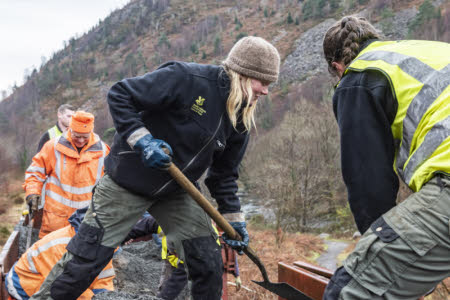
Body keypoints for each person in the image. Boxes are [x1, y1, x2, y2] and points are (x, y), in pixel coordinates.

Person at [29, 36, 280, 300]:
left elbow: (224, 175)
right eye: (262, 82)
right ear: (241, 73)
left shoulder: (239, 117)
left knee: (207, 261)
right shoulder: (187, 79)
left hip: (177, 190)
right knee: (87, 258)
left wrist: (234, 220)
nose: (265, 90)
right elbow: (120, 94)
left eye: (269, 84)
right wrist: (143, 141)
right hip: (127, 182)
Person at [321, 16, 450, 299]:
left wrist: (374, 240)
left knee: (350, 291)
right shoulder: (423, 50)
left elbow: (368, 182)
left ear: (337, 67)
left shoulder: (358, 76)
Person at [23, 111, 110, 238]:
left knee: (81, 255)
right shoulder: (53, 147)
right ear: (70, 130)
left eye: (85, 137)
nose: (81, 140)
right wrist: (32, 192)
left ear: (91, 132)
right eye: (77, 136)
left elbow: (111, 182)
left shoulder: (103, 151)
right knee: (50, 255)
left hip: (86, 220)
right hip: (55, 219)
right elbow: (35, 172)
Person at [5, 207, 115, 300]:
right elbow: (65, 286)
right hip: (23, 285)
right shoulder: (62, 246)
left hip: (54, 282)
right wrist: (93, 297)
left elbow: (104, 278)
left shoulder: (100, 244)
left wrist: (105, 294)